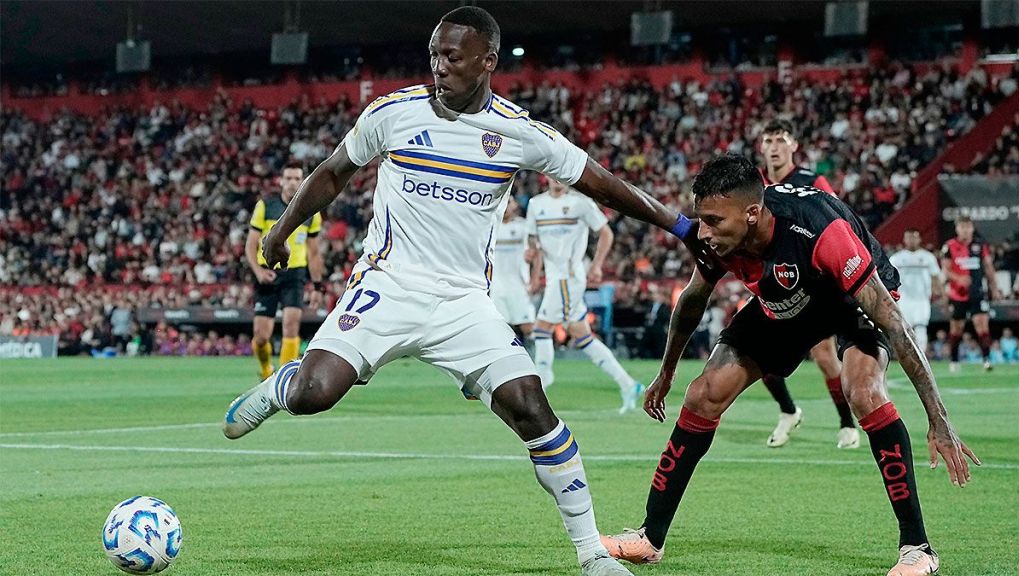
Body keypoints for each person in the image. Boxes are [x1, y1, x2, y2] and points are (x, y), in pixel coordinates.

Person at [222, 7, 694, 575]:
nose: (439, 67)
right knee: (313, 395)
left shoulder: (519, 132)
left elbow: (604, 184)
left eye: (452, 56)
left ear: (488, 61)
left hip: (464, 303)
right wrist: (279, 230)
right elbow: (332, 171)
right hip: (388, 283)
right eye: (434, 55)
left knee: (532, 408)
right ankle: (283, 385)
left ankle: (591, 552)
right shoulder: (393, 113)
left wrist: (681, 226)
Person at [601, 156, 979, 576]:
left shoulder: (821, 231)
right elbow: (692, 300)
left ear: (752, 213)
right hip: (786, 299)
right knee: (703, 394)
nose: (702, 232)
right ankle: (649, 537)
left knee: (865, 392)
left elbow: (895, 324)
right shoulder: (718, 239)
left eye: (712, 221)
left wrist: (938, 419)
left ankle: (918, 548)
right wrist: (667, 372)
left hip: (849, 297)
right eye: (700, 219)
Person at [757, 119, 858, 449]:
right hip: (770, 279)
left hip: (812, 280)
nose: (774, 147)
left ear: (794, 146)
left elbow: (838, 220)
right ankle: (788, 411)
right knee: (761, 355)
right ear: (761, 147)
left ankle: (847, 423)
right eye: (768, 140)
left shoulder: (811, 181)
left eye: (780, 140)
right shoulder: (752, 183)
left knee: (825, 357)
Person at [527, 178, 643, 414]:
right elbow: (533, 245)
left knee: (541, 329)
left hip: (568, 277)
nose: (557, 179)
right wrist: (534, 271)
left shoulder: (581, 203)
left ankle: (541, 389)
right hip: (555, 278)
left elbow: (606, 233)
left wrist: (597, 265)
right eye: (553, 174)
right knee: (582, 336)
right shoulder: (535, 204)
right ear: (546, 175)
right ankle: (628, 384)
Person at [245, 161, 325, 379]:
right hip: (267, 273)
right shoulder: (265, 206)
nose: (292, 183)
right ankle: (265, 370)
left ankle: (281, 379)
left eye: (297, 178)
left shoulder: (311, 211)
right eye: (288, 178)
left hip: (295, 273)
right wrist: (258, 272)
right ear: (281, 181)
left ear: (303, 181)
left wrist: (317, 286)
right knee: (261, 336)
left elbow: (314, 253)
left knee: (291, 325)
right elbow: (250, 244)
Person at [941, 215, 1003, 371]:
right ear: (957, 229)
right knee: (956, 329)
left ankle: (987, 360)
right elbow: (946, 270)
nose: (965, 230)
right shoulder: (949, 246)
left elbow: (988, 267)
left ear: (972, 228)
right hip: (957, 294)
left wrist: (994, 288)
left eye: (968, 227)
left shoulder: (980, 245)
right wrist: (959, 278)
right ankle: (954, 361)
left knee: (982, 326)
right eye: (962, 227)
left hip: (977, 292)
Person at [490, 195, 536, 342]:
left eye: (508, 202)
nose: (505, 206)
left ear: (515, 204)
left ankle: (534, 352)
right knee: (500, 327)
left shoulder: (524, 226)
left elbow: (536, 251)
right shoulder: (490, 226)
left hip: (519, 284)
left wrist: (534, 279)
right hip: (496, 285)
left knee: (528, 326)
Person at [890, 229, 942, 350]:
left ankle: (921, 354)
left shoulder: (928, 257)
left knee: (921, 327)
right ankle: (906, 355)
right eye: (909, 237)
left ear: (919, 239)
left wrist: (941, 295)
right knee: (904, 328)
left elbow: (935, 277)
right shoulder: (896, 258)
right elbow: (890, 279)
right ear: (904, 239)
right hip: (904, 299)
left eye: (914, 237)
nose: (911, 240)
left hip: (922, 299)